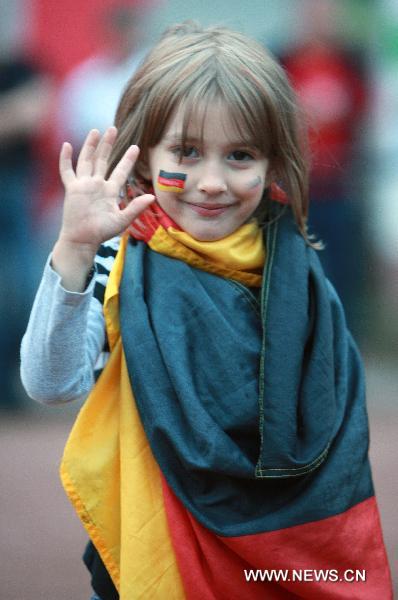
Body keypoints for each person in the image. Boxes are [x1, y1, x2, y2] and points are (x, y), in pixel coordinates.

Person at [20, 22, 392, 600]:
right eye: (186, 153)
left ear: (274, 164)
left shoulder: (296, 270)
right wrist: (74, 248)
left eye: (240, 155)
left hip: (274, 567)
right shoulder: (117, 257)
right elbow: (50, 383)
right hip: (142, 561)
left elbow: (333, 433)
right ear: (144, 157)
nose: (212, 183)